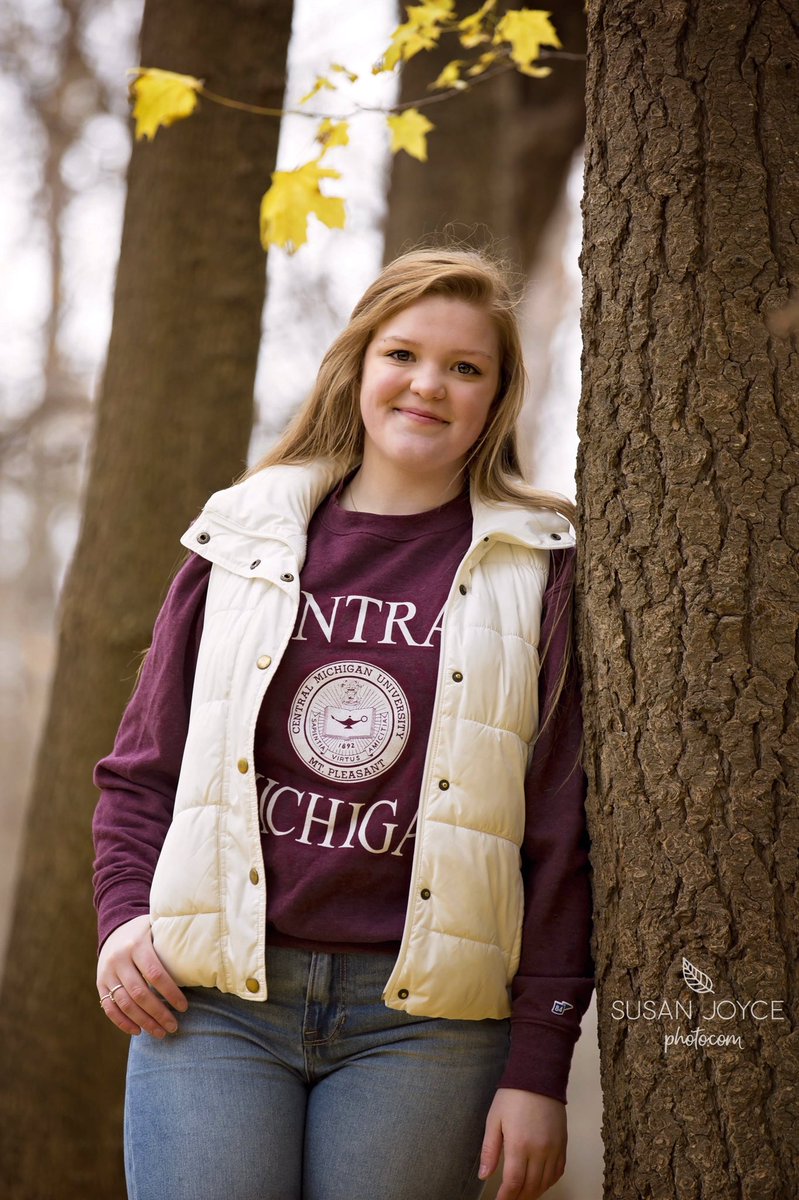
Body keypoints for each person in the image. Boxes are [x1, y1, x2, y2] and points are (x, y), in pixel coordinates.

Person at [93, 245, 594, 1200]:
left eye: (465, 367)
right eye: (403, 354)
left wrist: (539, 1063)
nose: (428, 386)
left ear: (496, 397)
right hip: (213, 1004)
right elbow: (142, 771)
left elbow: (559, 837)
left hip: (427, 1027)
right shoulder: (239, 537)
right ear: (358, 365)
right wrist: (122, 923)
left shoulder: (539, 569)